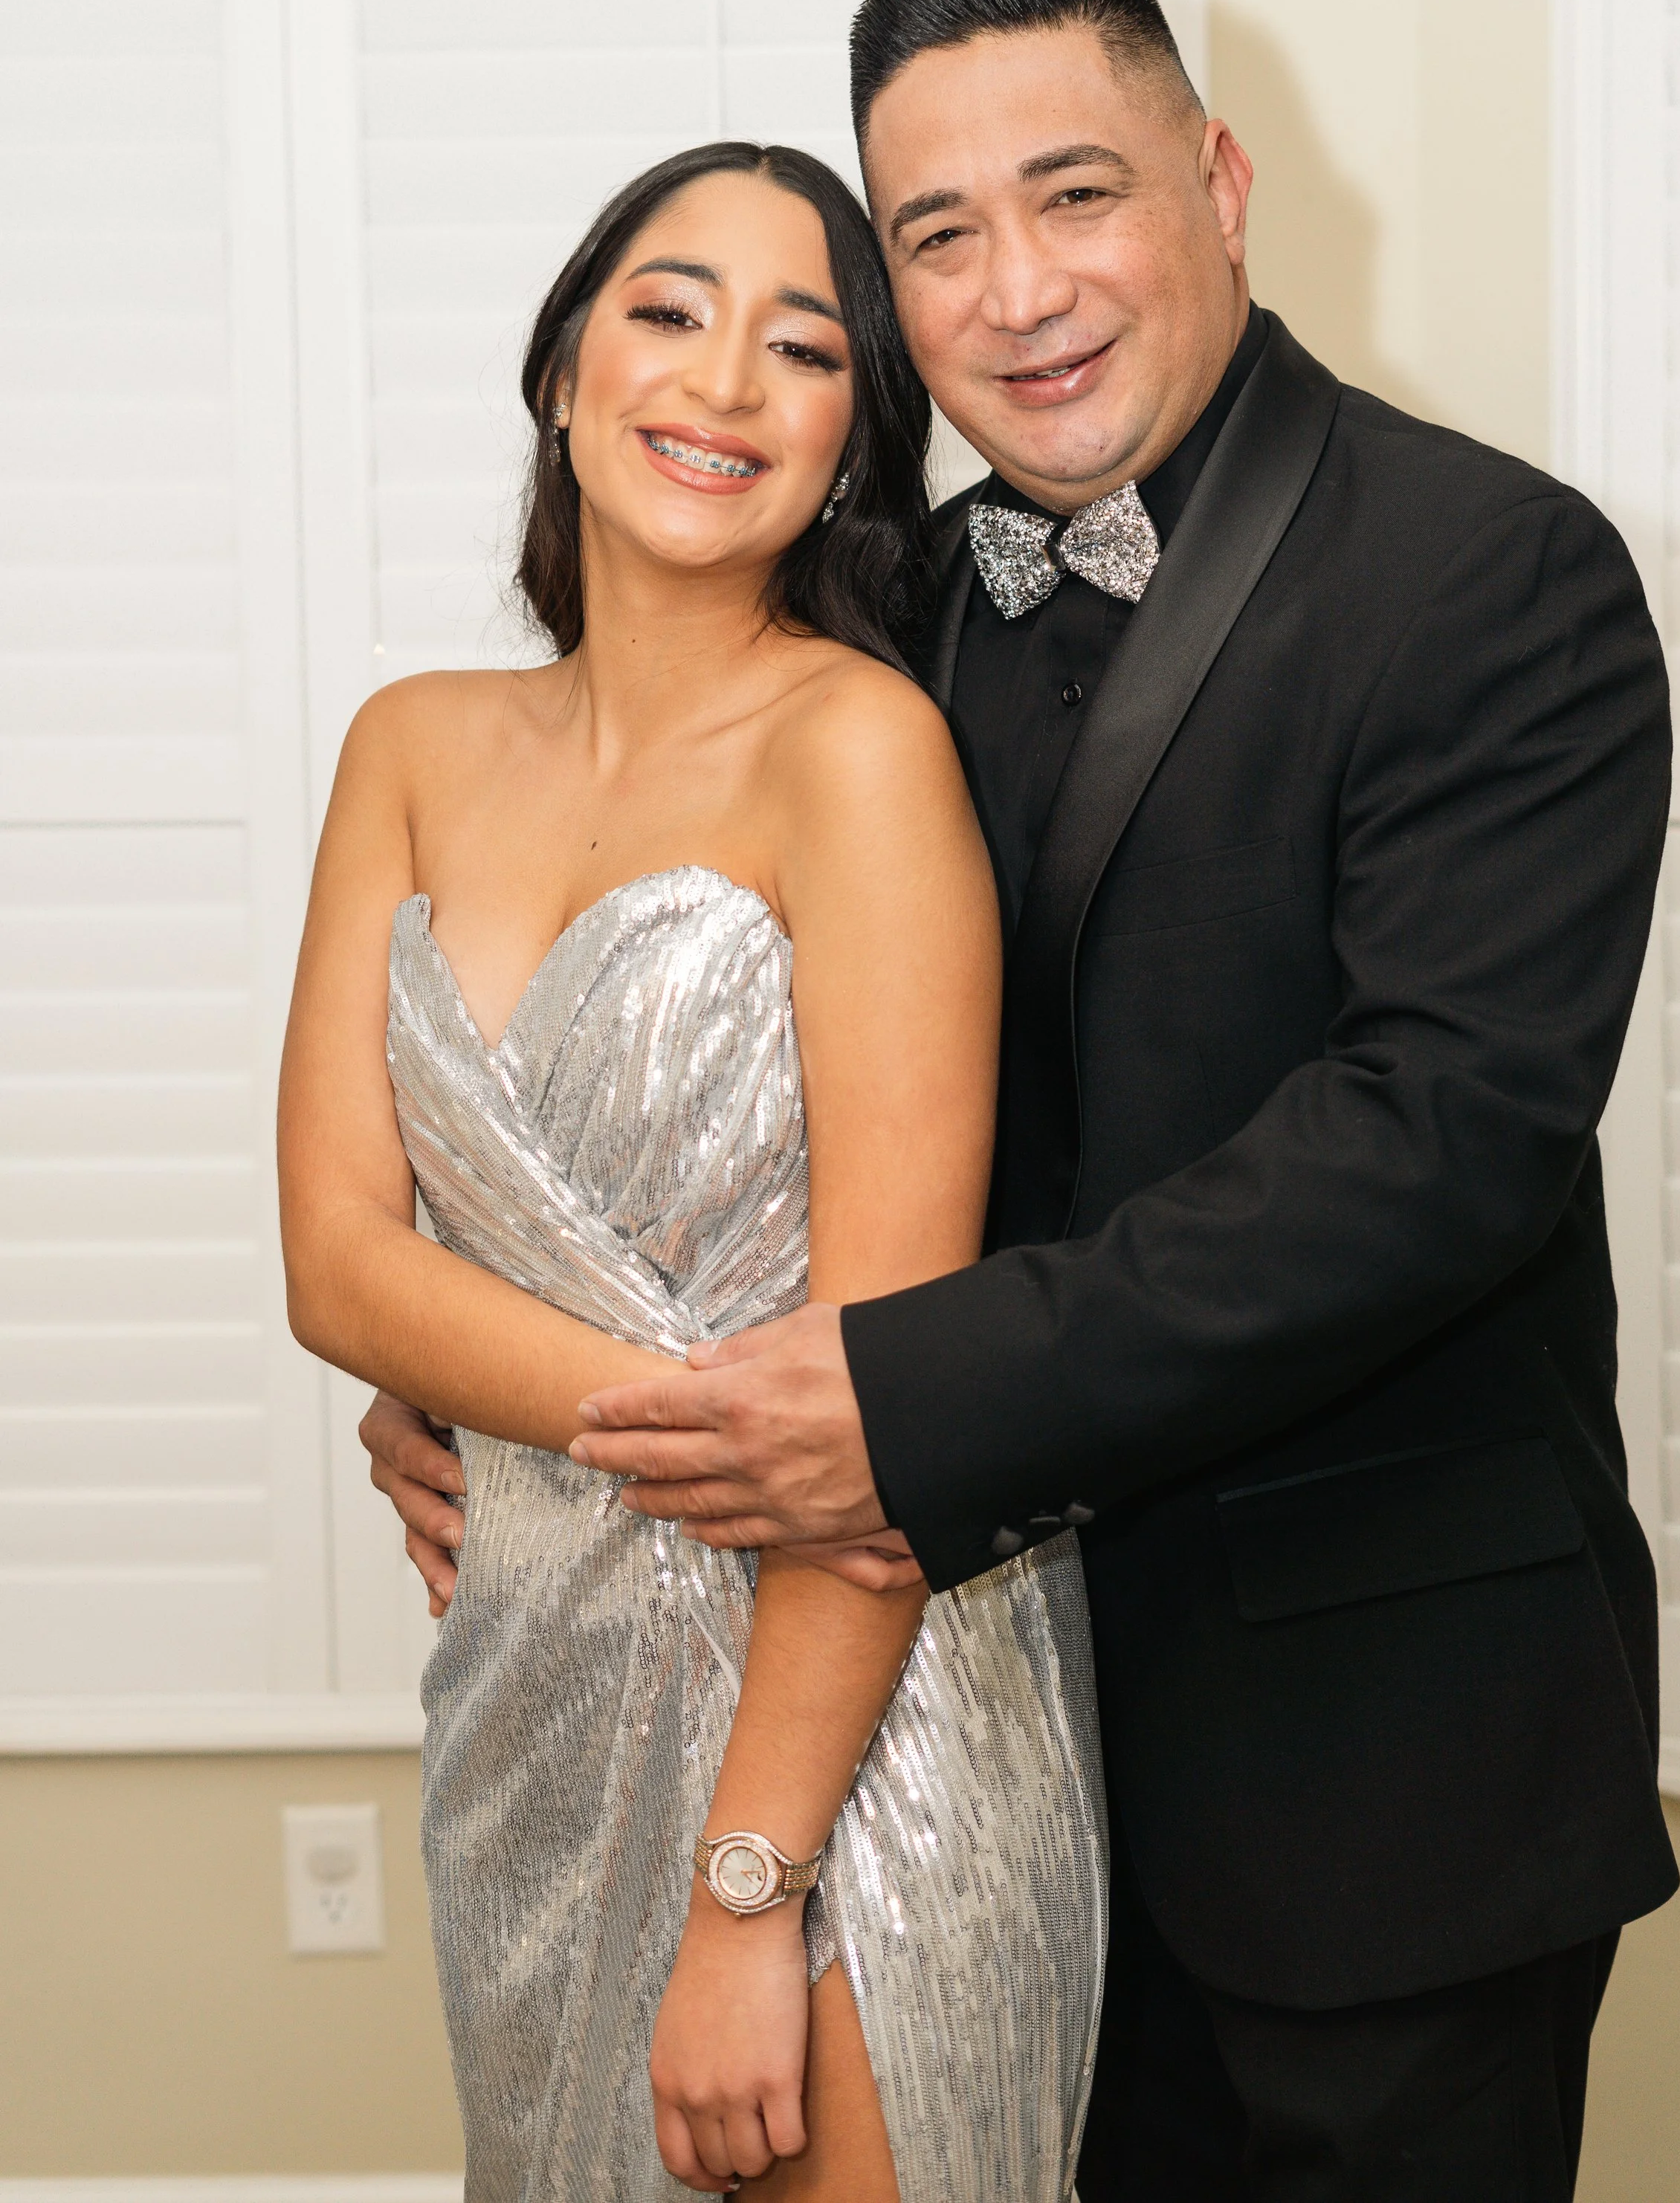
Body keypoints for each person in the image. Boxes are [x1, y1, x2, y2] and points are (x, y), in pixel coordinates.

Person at [368, 0, 1680, 2199]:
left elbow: (1432, 1144)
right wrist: (503, 1376)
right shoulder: (885, 615)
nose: (1017, 290)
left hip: (1371, 1769)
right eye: (935, 236)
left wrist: (900, 1401)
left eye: (1076, 193)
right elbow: (780, 1127)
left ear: (1218, 182)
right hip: (962, 1753)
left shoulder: (1491, 571)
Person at [280, 139, 1106, 2203]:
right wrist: (729, 1415)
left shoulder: (860, 749)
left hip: (856, 1727)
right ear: (567, 368)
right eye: (667, 310)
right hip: (533, 1697)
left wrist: (752, 1893)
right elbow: (332, 1263)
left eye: (803, 345)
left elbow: (886, 1391)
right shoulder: (406, 741)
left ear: (849, 446)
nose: (723, 378)